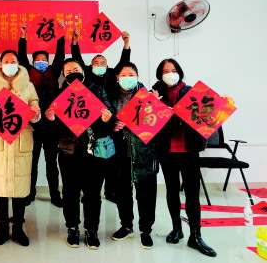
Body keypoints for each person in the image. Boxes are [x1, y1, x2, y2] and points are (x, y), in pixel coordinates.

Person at [45, 58, 115, 250]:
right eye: (67, 71)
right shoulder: (59, 95)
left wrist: (107, 118)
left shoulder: (98, 90)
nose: (72, 73)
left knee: (93, 193)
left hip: (94, 151)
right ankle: (72, 228)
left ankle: (92, 230)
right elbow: (53, 130)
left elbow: (110, 117)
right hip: (68, 151)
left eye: (75, 69)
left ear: (83, 70)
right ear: (63, 75)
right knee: (70, 192)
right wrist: (51, 119)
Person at [0, 50, 41, 247]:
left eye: (13, 61)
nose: (10, 64)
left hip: (22, 140)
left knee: (21, 187)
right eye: (6, 61)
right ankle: (3, 226)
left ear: (18, 63)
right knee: (0, 186)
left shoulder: (28, 85)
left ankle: (18, 227)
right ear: (0, 64)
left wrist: (35, 114)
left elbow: (35, 105)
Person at [152, 59, 217, 257]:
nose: (169, 74)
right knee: (172, 190)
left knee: (192, 193)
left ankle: (195, 236)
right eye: (165, 71)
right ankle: (177, 229)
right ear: (160, 74)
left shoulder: (190, 92)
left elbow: (207, 113)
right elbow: (147, 122)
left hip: (189, 149)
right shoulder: (154, 93)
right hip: (166, 150)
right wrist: (153, 103)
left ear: (179, 72)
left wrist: (218, 104)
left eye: (173, 70)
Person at [71, 29, 131, 202]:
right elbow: (77, 61)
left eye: (102, 62)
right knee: (90, 159)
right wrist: (74, 43)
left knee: (111, 157)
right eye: (95, 63)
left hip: (110, 120)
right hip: (90, 122)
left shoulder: (112, 75)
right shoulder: (87, 75)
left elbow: (124, 63)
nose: (99, 65)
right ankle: (89, 192)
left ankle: (110, 191)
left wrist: (126, 44)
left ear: (107, 65)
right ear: (90, 66)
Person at [109, 62, 158, 250]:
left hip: (144, 151)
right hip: (120, 152)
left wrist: (156, 106)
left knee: (146, 194)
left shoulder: (148, 96)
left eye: (131, 74)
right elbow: (103, 122)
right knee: (122, 192)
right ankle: (126, 226)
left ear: (137, 77)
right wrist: (113, 126)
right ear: (117, 77)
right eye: (123, 74)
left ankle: (146, 230)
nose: (127, 78)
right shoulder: (111, 97)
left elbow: (157, 124)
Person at [17, 21, 66, 207]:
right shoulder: (27, 72)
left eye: (44, 59)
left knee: (52, 163)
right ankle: (30, 193)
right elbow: (22, 57)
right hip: (33, 124)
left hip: (52, 124)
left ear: (48, 61)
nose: (41, 62)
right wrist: (23, 37)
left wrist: (61, 35)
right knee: (33, 161)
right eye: (38, 59)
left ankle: (55, 195)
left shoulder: (54, 71)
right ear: (33, 62)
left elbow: (60, 56)